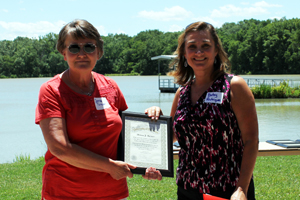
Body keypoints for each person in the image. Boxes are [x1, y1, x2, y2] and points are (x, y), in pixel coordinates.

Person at [35, 19, 161, 200]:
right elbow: (59, 148)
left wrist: (149, 162)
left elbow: (128, 138)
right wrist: (109, 166)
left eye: (89, 47)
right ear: (64, 53)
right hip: (65, 192)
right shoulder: (51, 90)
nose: (82, 54)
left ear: (98, 52)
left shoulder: (111, 86)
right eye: (74, 48)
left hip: (113, 192)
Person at [146, 22, 258, 200]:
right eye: (192, 47)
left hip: (226, 191)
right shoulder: (181, 93)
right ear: (184, 53)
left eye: (205, 45)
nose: (199, 52)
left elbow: (251, 141)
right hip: (187, 189)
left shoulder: (234, 86)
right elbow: (173, 136)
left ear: (216, 51)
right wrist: (155, 117)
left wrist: (242, 188)